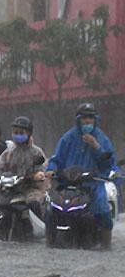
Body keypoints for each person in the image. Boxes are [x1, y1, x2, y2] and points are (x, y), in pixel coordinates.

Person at [45, 103, 117, 248]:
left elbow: (109, 163)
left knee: (102, 209)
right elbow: (56, 159)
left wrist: (96, 147)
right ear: (78, 119)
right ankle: (49, 241)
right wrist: (51, 170)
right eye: (84, 118)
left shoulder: (101, 139)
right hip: (69, 183)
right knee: (51, 208)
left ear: (95, 119)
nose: (87, 121)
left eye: (90, 118)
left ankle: (106, 245)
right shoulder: (68, 138)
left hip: (93, 184)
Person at [0, 116, 47, 221]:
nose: (18, 135)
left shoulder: (36, 152)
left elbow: (42, 169)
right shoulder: (9, 152)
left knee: (34, 204)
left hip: (31, 189)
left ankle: (40, 231)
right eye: (15, 132)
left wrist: (38, 175)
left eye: (21, 133)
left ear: (29, 134)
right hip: (11, 189)